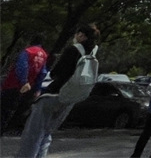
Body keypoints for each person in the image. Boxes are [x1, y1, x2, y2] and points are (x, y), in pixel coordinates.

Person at [15, 24, 100, 158]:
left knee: (34, 133)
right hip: (70, 98)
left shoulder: (73, 50)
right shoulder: (92, 52)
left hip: (53, 94)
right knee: (46, 134)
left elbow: (56, 73)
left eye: (77, 34)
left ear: (81, 35)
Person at [1, 34, 49, 135]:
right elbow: (42, 73)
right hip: (30, 87)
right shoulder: (44, 55)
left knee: (4, 107)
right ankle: (9, 129)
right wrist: (37, 88)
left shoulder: (28, 51)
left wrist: (24, 81)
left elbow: (22, 66)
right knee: (17, 108)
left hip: (14, 84)